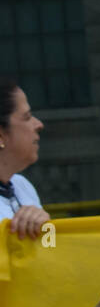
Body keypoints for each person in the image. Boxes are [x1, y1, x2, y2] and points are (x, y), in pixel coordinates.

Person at [0, 81, 50, 240]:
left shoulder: (22, 186)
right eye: (27, 117)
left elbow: (51, 254)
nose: (39, 124)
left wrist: (47, 228)